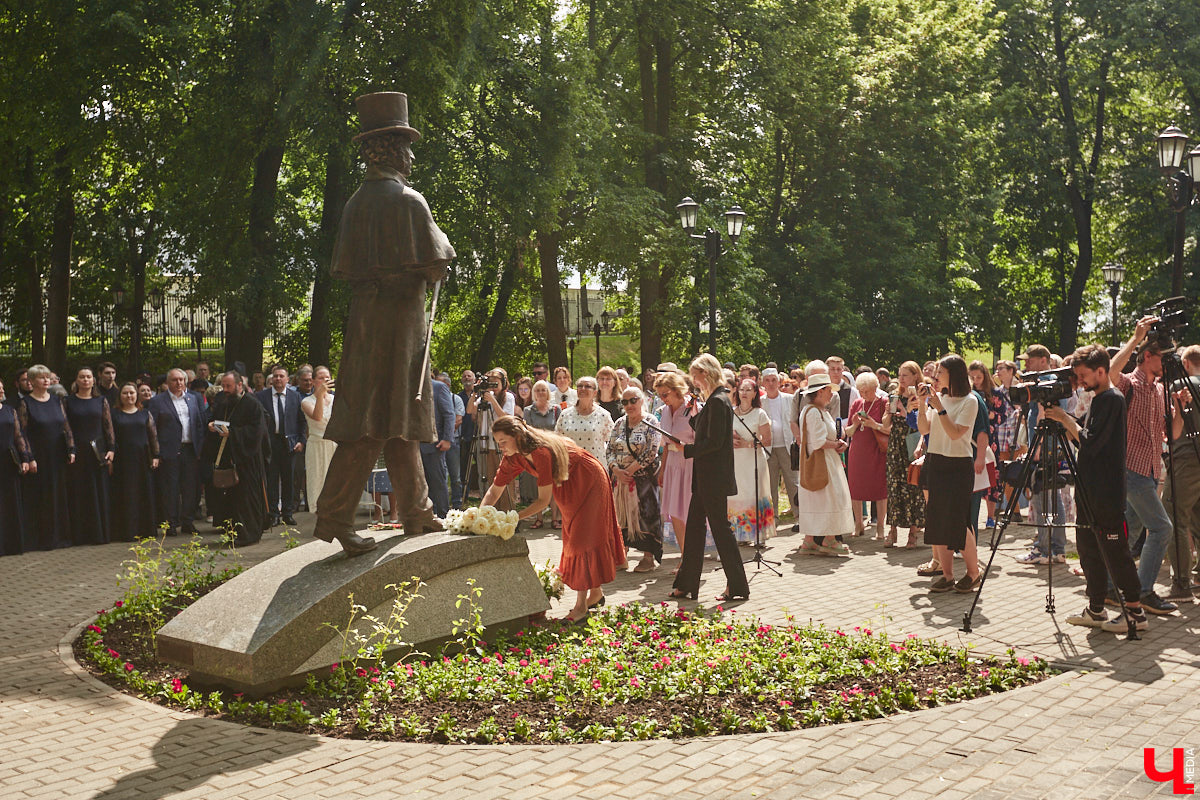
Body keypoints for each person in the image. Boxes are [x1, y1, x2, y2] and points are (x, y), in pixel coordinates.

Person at [313, 93, 453, 555]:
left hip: (366, 325)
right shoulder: (409, 202)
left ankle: (416, 511)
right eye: (407, 147)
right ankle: (334, 517)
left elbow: (350, 268)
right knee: (372, 425)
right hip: (398, 326)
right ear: (394, 150)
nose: (412, 156)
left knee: (398, 420)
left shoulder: (356, 204)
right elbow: (435, 261)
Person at [483, 416, 625, 622]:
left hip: (588, 478)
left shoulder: (540, 452)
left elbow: (543, 502)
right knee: (575, 536)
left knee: (581, 539)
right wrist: (479, 517)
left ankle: (581, 607)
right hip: (566, 483)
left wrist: (512, 518)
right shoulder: (512, 457)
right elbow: (494, 491)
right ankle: (595, 594)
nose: (501, 447)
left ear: (517, 437)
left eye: (503, 442)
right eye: (498, 443)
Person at [1047, 345, 1147, 632]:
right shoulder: (1099, 399)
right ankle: (1096, 608)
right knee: (1089, 549)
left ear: (1101, 371)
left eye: (1083, 375)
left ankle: (1135, 613)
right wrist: (1064, 422)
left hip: (1106, 492)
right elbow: (1085, 439)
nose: (1079, 382)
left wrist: (1065, 419)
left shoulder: (1112, 399)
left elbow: (1090, 441)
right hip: (1090, 489)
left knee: (1115, 552)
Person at [1104, 316, 1178, 615]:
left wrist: (1179, 409)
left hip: (1149, 471)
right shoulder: (1129, 384)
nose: (1167, 363)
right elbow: (1110, 373)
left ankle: (1109, 588)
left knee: (1131, 532)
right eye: (1163, 357)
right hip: (1131, 470)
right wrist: (1135, 338)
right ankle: (1144, 591)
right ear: (1148, 356)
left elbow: (1170, 434)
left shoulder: (1159, 390)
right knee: (1161, 528)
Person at [669, 354, 750, 603]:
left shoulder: (718, 400)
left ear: (706, 373)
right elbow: (708, 431)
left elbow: (714, 442)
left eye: (696, 375)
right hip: (706, 477)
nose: (694, 381)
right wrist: (695, 414)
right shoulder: (714, 400)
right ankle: (686, 585)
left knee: (721, 531)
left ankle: (737, 585)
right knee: (695, 530)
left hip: (713, 477)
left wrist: (686, 449)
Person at [917, 355, 982, 593]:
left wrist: (940, 408)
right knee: (938, 521)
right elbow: (924, 429)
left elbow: (955, 434)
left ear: (953, 374)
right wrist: (922, 404)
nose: (935, 377)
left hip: (958, 465)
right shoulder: (940, 398)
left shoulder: (970, 401)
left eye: (940, 373)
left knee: (958, 522)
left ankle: (973, 574)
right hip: (936, 461)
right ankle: (947, 576)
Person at [206, 371, 270, 545]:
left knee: (246, 499)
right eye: (223, 386)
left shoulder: (252, 404)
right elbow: (217, 421)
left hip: (248, 460)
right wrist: (213, 426)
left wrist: (232, 433)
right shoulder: (223, 402)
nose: (225, 389)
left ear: (239, 385)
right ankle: (233, 533)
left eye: (229, 386)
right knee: (230, 500)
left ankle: (248, 535)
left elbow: (256, 432)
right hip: (228, 458)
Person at [792, 373, 854, 554]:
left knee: (820, 502)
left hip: (826, 461)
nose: (831, 394)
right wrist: (837, 445)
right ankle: (829, 539)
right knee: (830, 500)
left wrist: (838, 442)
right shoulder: (813, 412)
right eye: (828, 390)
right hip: (822, 463)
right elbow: (818, 441)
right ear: (819, 392)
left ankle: (810, 540)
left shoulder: (819, 411)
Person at [17, 364, 75, 550]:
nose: (46, 380)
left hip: (58, 454)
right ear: (32, 381)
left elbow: (66, 426)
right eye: (41, 377)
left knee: (58, 495)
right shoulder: (26, 403)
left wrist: (71, 448)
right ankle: (42, 540)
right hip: (39, 456)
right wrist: (29, 457)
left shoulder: (57, 400)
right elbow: (22, 432)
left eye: (48, 377)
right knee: (42, 497)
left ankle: (60, 537)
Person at [607, 386, 662, 572]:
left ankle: (648, 558)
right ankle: (621, 556)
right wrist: (616, 470)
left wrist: (629, 471)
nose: (629, 405)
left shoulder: (651, 421)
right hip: (620, 480)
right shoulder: (619, 423)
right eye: (625, 402)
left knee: (646, 516)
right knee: (621, 516)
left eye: (633, 400)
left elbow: (651, 451)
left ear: (641, 400)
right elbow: (610, 449)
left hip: (644, 479)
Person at [148, 369, 206, 536]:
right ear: (168, 382)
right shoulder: (157, 401)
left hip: (190, 450)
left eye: (181, 379)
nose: (179, 383)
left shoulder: (193, 399)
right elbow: (152, 429)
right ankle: (171, 523)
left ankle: (188, 521)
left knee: (190, 488)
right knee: (170, 489)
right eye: (175, 380)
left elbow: (200, 424)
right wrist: (156, 453)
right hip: (169, 451)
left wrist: (200, 448)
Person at [1164, 344, 1200, 597]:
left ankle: (1182, 582)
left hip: (1186, 459)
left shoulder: (1180, 386)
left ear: (1185, 364)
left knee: (1174, 517)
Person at [64, 367, 115, 545]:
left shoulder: (101, 401)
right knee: (79, 492)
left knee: (98, 491)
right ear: (76, 380)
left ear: (94, 380)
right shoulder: (67, 401)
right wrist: (71, 448)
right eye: (82, 377)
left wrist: (111, 449)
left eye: (88, 377)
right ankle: (80, 535)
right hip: (77, 453)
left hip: (97, 452)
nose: (86, 380)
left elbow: (108, 426)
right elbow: (66, 427)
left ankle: (100, 534)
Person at [256, 364, 306, 526]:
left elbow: (302, 421)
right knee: (272, 480)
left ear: (287, 379)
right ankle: (273, 514)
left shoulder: (295, 397)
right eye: (275, 376)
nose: (278, 379)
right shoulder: (261, 397)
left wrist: (301, 441)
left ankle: (287, 513)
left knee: (289, 480)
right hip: (270, 443)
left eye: (281, 376)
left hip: (290, 444)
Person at [110, 382, 160, 541]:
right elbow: (110, 436)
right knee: (125, 494)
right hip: (122, 460)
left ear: (137, 395)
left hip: (142, 459)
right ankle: (126, 531)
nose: (129, 396)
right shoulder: (114, 414)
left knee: (143, 493)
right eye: (125, 393)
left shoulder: (145, 413)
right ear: (120, 396)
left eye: (132, 393)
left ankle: (145, 529)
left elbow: (153, 435)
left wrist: (156, 455)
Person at [654, 370, 696, 558]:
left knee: (689, 512)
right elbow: (665, 444)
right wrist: (662, 470)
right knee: (675, 513)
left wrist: (685, 447)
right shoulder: (664, 411)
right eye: (660, 395)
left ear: (677, 389)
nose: (663, 399)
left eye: (665, 394)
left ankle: (693, 557)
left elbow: (702, 442)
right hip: (671, 463)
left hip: (690, 464)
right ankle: (685, 556)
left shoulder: (693, 408)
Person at [883, 361, 926, 548]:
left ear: (915, 376)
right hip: (895, 446)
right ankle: (892, 531)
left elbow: (921, 424)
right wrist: (888, 413)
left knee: (913, 487)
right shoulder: (894, 396)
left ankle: (913, 532)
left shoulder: (919, 398)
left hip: (912, 445)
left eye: (905, 375)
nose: (901, 379)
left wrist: (905, 413)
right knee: (894, 487)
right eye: (899, 374)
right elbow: (886, 424)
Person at [730, 377, 775, 545]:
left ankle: (759, 536)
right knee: (739, 495)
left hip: (754, 460)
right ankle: (742, 534)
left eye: (748, 390)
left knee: (755, 494)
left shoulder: (760, 413)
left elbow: (767, 440)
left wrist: (747, 444)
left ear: (755, 393)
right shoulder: (731, 412)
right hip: (736, 462)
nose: (744, 393)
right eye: (742, 389)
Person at [844, 371, 888, 539]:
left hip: (876, 450)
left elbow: (888, 429)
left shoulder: (883, 403)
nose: (863, 395)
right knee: (856, 487)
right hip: (858, 451)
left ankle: (880, 526)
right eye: (861, 391)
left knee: (880, 488)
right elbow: (848, 432)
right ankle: (858, 523)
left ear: (875, 388)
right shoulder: (857, 403)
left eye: (867, 391)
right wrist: (855, 424)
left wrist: (873, 424)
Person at [466, 367, 516, 511]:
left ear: (503, 383)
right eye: (491, 383)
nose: (493, 387)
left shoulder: (508, 397)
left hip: (503, 443)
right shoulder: (484, 396)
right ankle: (492, 511)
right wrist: (475, 393)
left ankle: (507, 511)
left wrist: (493, 401)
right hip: (486, 443)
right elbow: (469, 410)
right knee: (490, 478)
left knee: (505, 479)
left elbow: (507, 417)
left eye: (496, 383)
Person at [759, 368, 798, 521]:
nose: (770, 384)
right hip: (768, 449)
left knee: (793, 482)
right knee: (770, 484)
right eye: (767, 380)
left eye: (773, 380)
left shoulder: (790, 399)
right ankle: (772, 516)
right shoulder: (760, 402)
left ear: (779, 382)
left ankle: (798, 514)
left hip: (787, 447)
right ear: (763, 383)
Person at [523, 380, 561, 528]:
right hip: (536, 452)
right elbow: (527, 431)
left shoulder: (556, 409)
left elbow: (559, 430)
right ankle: (538, 518)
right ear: (534, 393)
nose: (540, 393)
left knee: (554, 485)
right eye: (537, 390)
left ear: (548, 392)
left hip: (553, 451)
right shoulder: (528, 410)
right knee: (537, 484)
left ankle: (554, 519)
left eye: (543, 390)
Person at [419, 367, 456, 517]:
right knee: (420, 485)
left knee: (438, 482)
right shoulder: (409, 389)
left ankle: (443, 516)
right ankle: (426, 516)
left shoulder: (439, 387)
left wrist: (447, 439)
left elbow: (449, 414)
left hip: (435, 445)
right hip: (414, 446)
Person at [300, 366, 337, 514]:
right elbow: (318, 417)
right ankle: (320, 515)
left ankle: (335, 515)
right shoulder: (306, 401)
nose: (325, 380)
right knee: (318, 481)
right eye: (321, 378)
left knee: (335, 481)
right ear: (314, 381)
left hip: (333, 444)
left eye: (327, 378)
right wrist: (320, 395)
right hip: (316, 446)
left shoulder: (335, 399)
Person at [0, 378, 30, 556]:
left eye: (2, 388)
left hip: (9, 462)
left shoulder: (10, 410)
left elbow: (19, 436)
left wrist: (25, 457)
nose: (2, 392)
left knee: (10, 502)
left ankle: (12, 544)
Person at [555, 376, 614, 464]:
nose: (583, 389)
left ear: (595, 392)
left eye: (587, 386)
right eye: (580, 386)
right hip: (571, 465)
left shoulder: (603, 415)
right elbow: (557, 441)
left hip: (595, 465)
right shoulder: (565, 414)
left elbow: (613, 442)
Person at [457, 370, 476, 500]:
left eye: (469, 376)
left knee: (482, 465)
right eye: (464, 376)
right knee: (464, 467)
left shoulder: (481, 395)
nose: (467, 378)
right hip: (464, 436)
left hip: (479, 435)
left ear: (474, 379)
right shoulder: (458, 397)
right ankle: (464, 494)